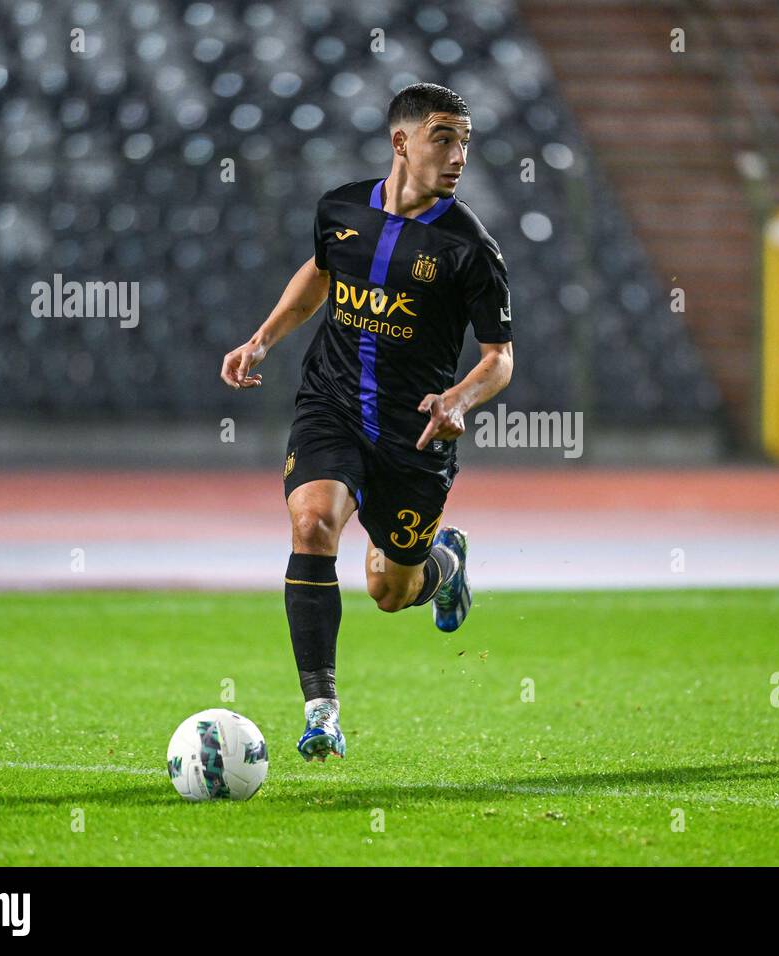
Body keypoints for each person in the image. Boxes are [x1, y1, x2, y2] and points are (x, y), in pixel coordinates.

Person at [220, 83, 514, 762]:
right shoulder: (341, 208)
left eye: (466, 139)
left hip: (413, 435)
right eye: (445, 137)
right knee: (313, 523)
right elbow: (321, 273)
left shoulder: (471, 247)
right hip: (332, 404)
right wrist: (263, 339)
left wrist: (458, 402)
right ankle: (322, 712)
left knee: (390, 589)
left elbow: (499, 360)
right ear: (401, 141)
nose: (459, 153)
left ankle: (445, 562)